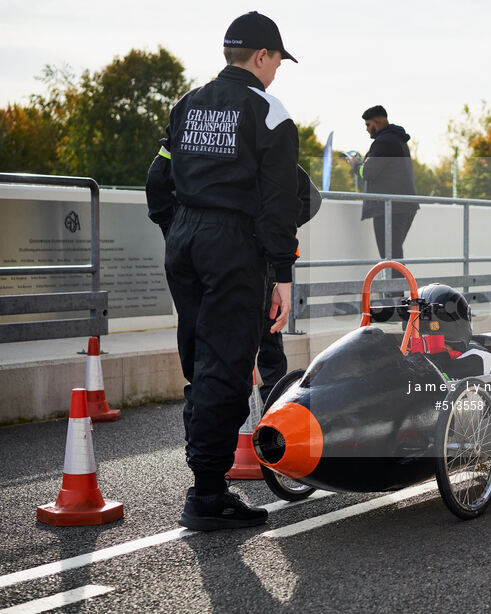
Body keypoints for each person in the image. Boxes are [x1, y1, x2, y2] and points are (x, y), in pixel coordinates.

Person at [145, 11, 300, 531]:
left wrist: (181, 231)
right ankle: (208, 493)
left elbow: (157, 179)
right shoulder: (271, 114)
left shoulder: (186, 105)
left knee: (198, 360)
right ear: (261, 56)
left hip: (185, 239)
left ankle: (205, 479)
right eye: (277, 60)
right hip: (233, 244)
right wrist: (282, 274)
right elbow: (280, 204)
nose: (278, 70)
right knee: (228, 364)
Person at [257, 167, 322, 402]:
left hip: (260, 258)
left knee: (268, 331)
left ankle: (271, 404)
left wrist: (278, 229)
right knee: (263, 332)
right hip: (246, 256)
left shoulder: (272, 154)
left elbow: (311, 199)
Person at [345, 106, 418, 261]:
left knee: (390, 258)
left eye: (368, 125)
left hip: (389, 208)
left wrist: (355, 165)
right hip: (402, 206)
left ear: (377, 122)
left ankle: (399, 286)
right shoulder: (397, 139)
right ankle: (399, 285)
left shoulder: (384, 141)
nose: (366, 129)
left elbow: (368, 172)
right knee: (393, 256)